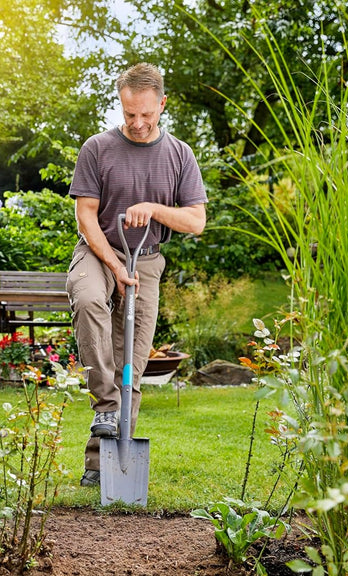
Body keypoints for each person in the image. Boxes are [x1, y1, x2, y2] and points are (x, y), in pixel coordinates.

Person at [66, 63, 208, 487]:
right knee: (89, 297)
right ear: (121, 104)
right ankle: (106, 407)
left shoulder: (180, 155)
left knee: (132, 358)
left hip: (145, 259)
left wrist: (155, 209)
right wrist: (113, 265)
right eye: (130, 114)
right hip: (101, 249)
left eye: (147, 114)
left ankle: (100, 468)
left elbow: (196, 221)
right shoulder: (97, 148)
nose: (138, 123)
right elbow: (85, 217)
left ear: (162, 104)